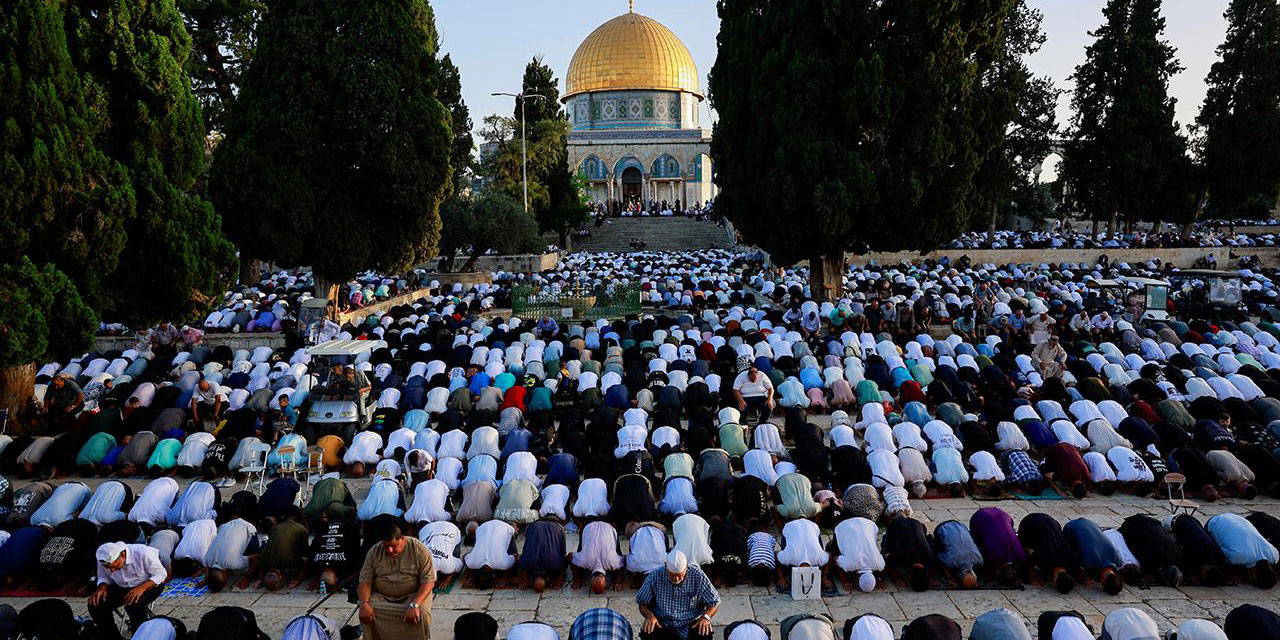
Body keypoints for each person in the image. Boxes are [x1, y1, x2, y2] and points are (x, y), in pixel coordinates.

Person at [357, 519, 436, 640]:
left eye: (393, 546)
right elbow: (365, 581)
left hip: (413, 596)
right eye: (386, 546)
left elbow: (428, 581)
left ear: (402, 539)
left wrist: (414, 605)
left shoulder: (419, 549)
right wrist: (364, 603)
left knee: (422, 613)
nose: (389, 550)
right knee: (366, 612)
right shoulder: (374, 551)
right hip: (382, 596)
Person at [89, 541, 168, 640]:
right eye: (109, 568)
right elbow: (104, 577)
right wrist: (102, 587)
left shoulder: (143, 553)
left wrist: (141, 588)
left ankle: (140, 637)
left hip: (149, 584)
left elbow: (161, 575)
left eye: (114, 566)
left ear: (122, 554)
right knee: (96, 604)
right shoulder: (103, 556)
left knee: (134, 605)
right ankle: (111, 636)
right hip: (121, 585)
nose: (112, 570)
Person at [636, 550, 720, 640]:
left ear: (686, 567)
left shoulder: (698, 575)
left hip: (690, 623)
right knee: (648, 631)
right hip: (662, 623)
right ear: (665, 566)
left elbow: (714, 602)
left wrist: (705, 617)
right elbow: (643, 604)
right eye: (671, 575)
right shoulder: (655, 576)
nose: (676, 579)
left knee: (704, 632)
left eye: (680, 575)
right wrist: (650, 616)